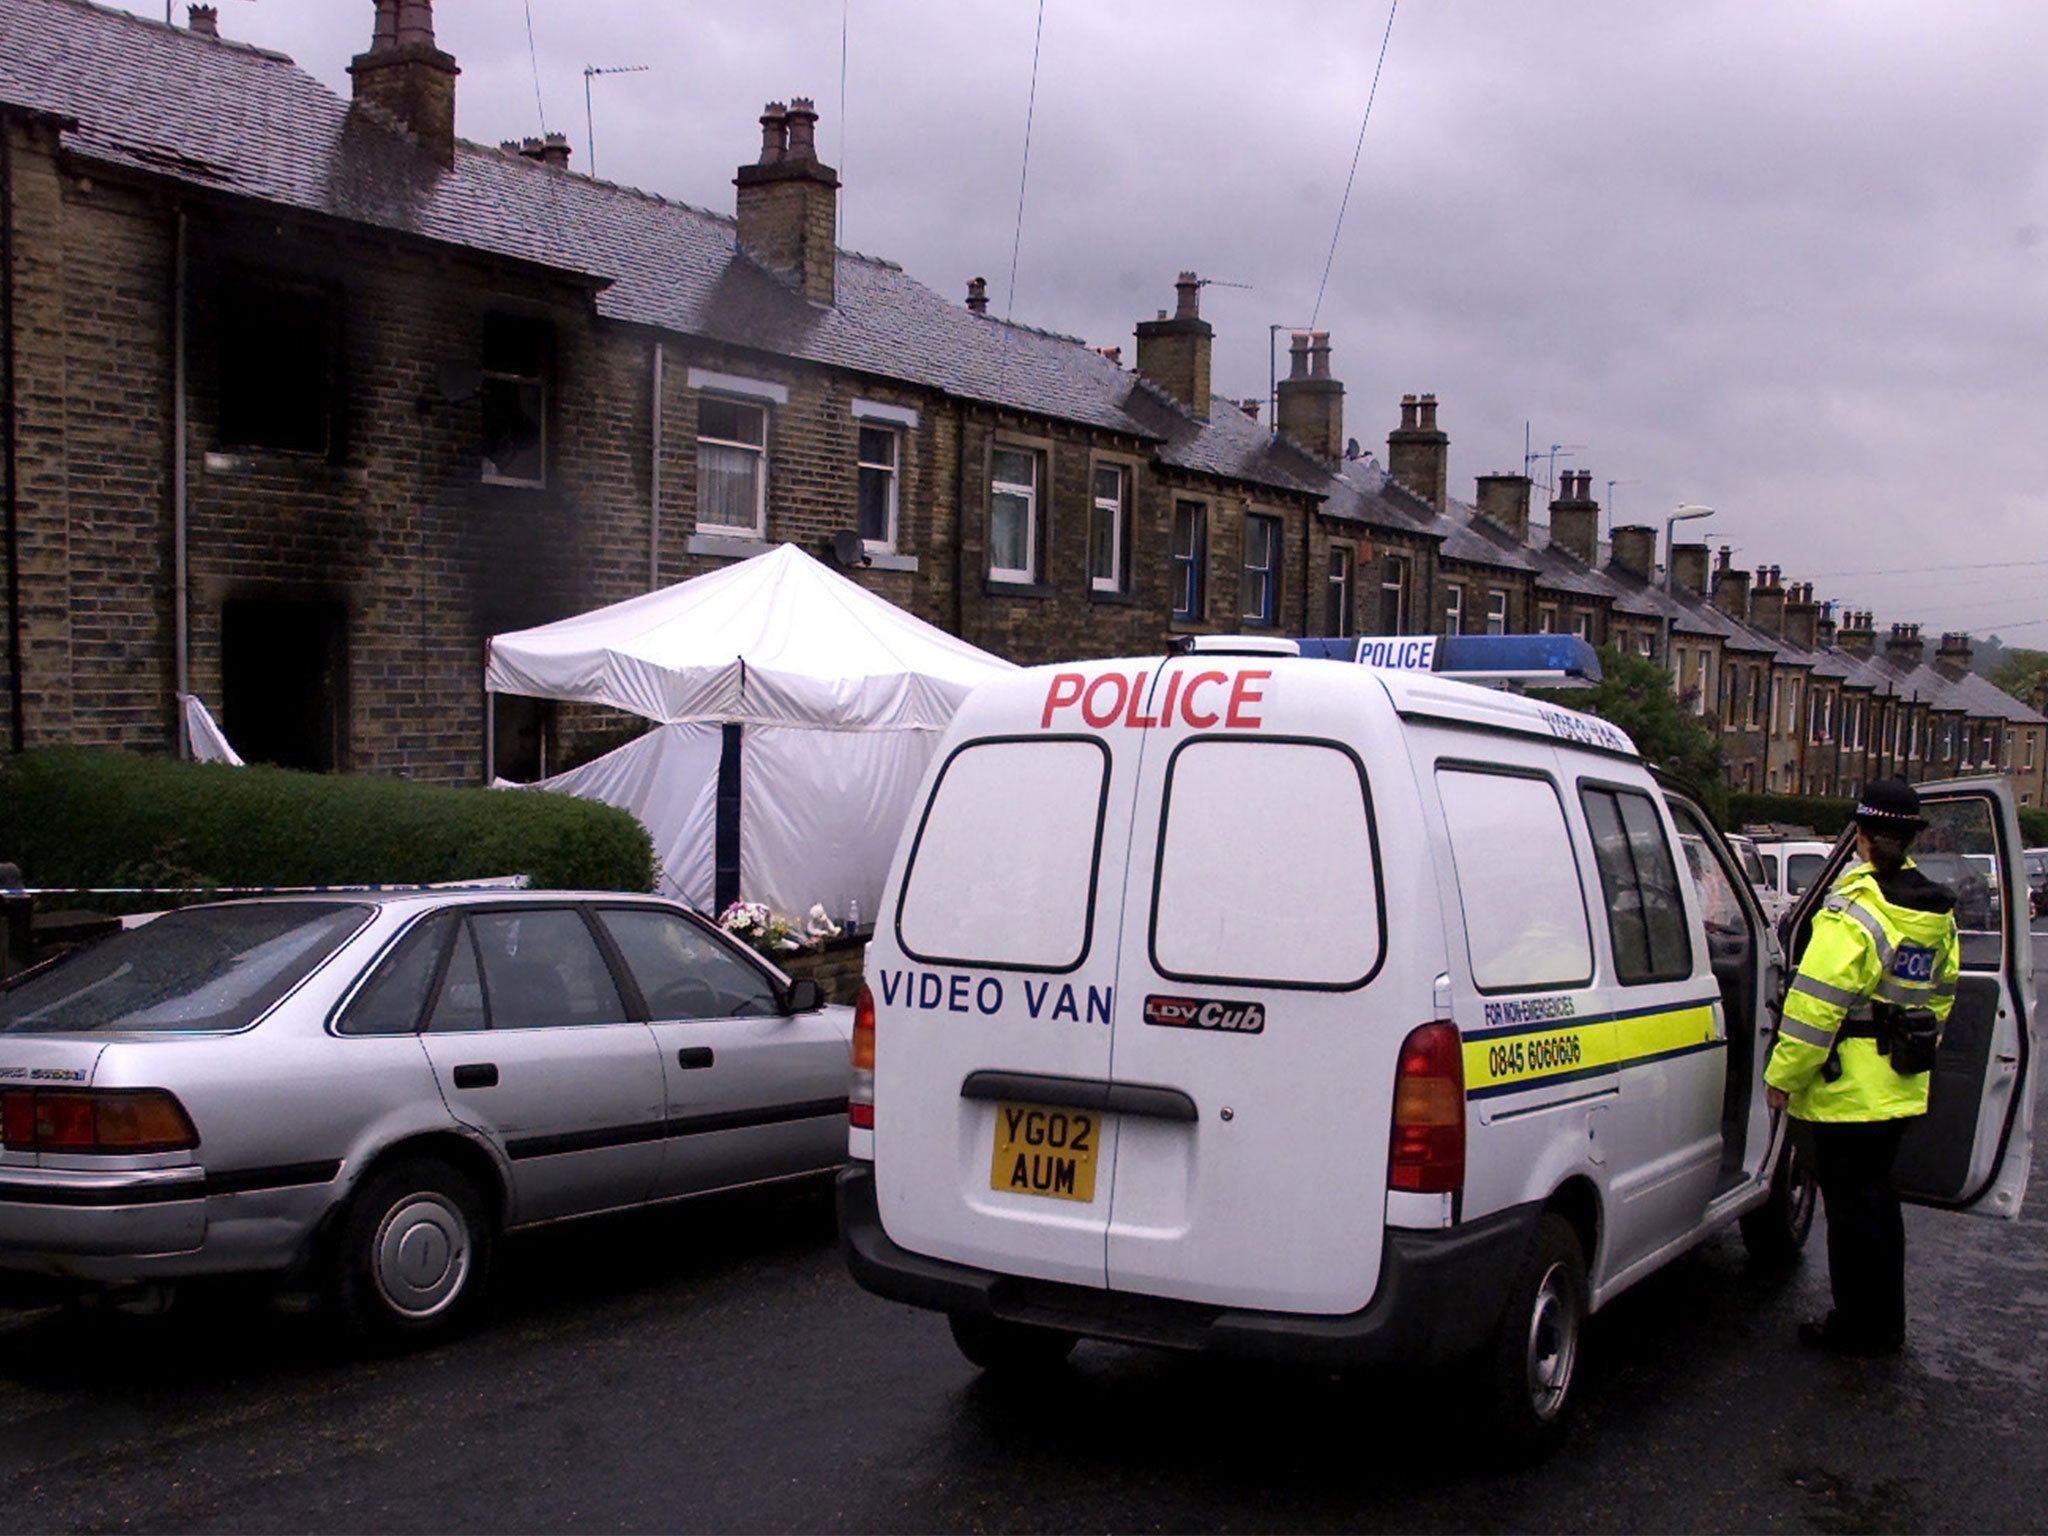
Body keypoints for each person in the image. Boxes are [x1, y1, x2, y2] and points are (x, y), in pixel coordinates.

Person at [1764, 778, 1959, 1356]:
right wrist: (1916, 1048)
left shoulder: (1854, 911)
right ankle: (1886, 1324)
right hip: (1900, 1082)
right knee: (1880, 1202)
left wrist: (1783, 1078)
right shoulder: (1934, 912)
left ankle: (1854, 1327)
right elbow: (1942, 993)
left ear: (1863, 837)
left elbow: (1812, 1010)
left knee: (1850, 1213)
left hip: (1847, 1091)